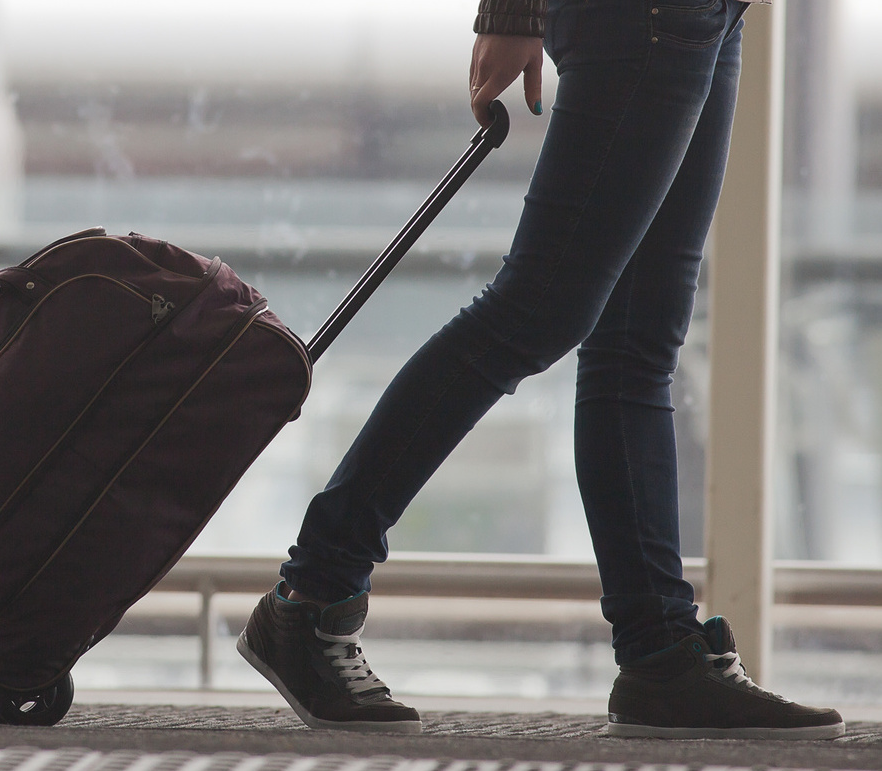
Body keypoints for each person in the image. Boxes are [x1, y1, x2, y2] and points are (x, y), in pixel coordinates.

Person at [236, 0, 846, 739]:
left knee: (636, 346)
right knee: (534, 312)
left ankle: (661, 655)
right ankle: (313, 594)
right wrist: (513, 10)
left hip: (712, 18)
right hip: (644, 16)